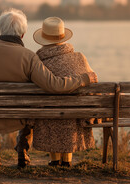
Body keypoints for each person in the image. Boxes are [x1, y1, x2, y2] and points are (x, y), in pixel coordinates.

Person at [0, 9, 97, 168]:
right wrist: (83, 79)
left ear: (0, 30)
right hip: (20, 119)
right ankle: (22, 152)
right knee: (32, 109)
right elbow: (53, 85)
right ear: (22, 35)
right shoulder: (29, 57)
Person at [32, 17, 98, 167]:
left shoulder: (38, 62)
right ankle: (66, 161)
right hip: (74, 119)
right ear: (63, 37)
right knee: (70, 116)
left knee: (52, 113)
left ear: (43, 39)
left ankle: (55, 160)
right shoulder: (80, 58)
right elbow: (93, 86)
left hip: (47, 118)